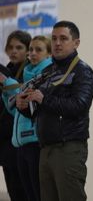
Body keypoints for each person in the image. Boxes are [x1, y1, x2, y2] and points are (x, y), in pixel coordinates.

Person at [15, 21, 93, 201]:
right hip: (45, 147)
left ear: (76, 43)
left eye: (63, 38)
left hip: (68, 147)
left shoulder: (83, 71)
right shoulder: (48, 72)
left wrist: (44, 98)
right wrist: (23, 107)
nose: (57, 43)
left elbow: (79, 106)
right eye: (54, 38)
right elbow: (39, 111)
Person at [1, 36, 52, 201]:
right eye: (31, 49)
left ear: (49, 54)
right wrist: (9, 95)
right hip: (20, 142)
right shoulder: (28, 73)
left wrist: (6, 82)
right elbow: (17, 110)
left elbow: (30, 105)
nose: (33, 53)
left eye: (38, 50)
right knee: (24, 194)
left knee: (37, 194)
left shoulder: (47, 74)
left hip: (35, 142)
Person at [0, 30, 30, 201]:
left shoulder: (30, 72)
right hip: (6, 142)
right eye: (10, 47)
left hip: (21, 140)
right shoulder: (7, 71)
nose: (14, 51)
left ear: (28, 50)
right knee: (13, 190)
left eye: (19, 47)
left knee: (24, 191)